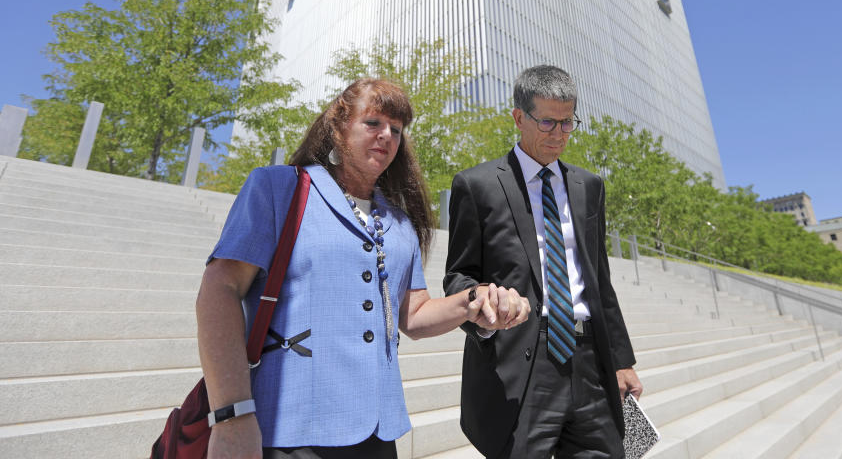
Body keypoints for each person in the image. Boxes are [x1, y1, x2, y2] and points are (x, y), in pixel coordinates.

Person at [196, 78, 530, 459]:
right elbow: (219, 289)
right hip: (286, 429)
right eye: (373, 123)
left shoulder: (401, 223)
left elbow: (415, 315)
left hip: (377, 432)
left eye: (397, 129)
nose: (386, 135)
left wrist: (474, 298)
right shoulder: (277, 188)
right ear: (338, 128)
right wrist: (232, 415)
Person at [444, 65, 643, 458]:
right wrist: (484, 306)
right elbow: (458, 277)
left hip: (590, 361)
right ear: (519, 117)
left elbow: (599, 280)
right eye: (548, 122)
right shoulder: (477, 185)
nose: (559, 135)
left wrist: (622, 360)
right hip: (522, 359)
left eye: (568, 123)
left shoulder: (589, 187)